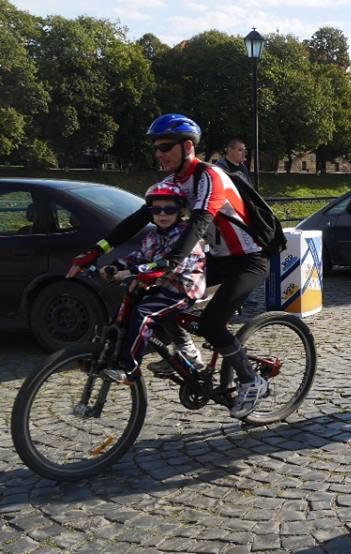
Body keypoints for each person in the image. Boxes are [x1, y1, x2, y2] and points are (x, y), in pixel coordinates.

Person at [68, 114, 270, 418]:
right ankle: (190, 356)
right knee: (153, 294)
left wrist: (168, 264)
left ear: (187, 146)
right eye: (155, 148)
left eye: (164, 147)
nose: (158, 154)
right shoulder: (172, 183)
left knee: (212, 324)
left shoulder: (210, 176)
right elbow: (138, 219)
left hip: (249, 259)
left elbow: (199, 223)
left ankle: (251, 380)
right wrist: (96, 251)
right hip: (217, 258)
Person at [99, 183, 206, 385]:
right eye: (156, 210)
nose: (162, 214)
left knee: (143, 314)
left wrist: (131, 272)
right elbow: (138, 257)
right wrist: (114, 266)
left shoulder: (186, 235)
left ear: (181, 211)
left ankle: (131, 369)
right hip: (162, 285)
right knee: (125, 310)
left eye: (169, 209)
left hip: (182, 289)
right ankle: (105, 356)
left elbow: (166, 265)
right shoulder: (153, 236)